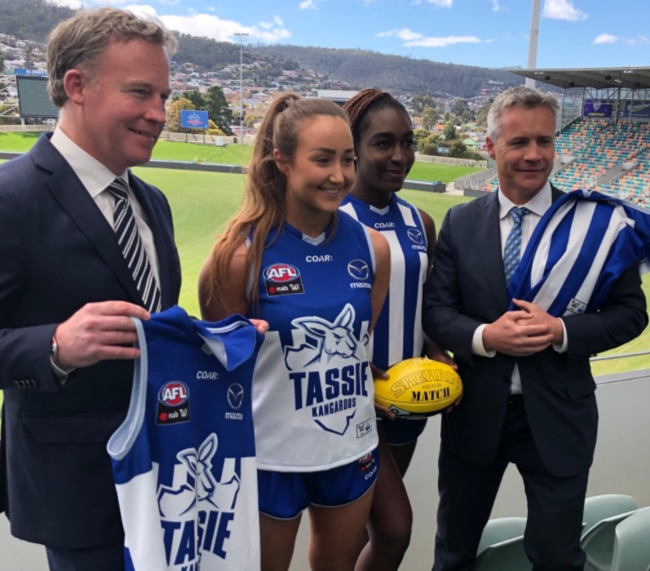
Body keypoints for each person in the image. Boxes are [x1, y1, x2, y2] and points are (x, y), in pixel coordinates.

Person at [422, 85, 648, 571]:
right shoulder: (461, 223)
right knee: (454, 549)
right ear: (490, 147)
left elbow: (632, 314)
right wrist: (486, 338)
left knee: (556, 556)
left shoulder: (597, 224)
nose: (533, 155)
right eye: (519, 142)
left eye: (544, 142)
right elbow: (436, 311)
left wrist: (561, 331)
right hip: (474, 414)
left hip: (558, 418)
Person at [0, 8, 182, 570]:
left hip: (165, 475)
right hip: (78, 490)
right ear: (75, 86)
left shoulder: (153, 202)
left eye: (163, 96)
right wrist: (55, 346)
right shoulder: (11, 198)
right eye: (140, 93)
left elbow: (153, 325)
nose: (158, 114)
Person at [198, 92, 391, 571]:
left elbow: (358, 350)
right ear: (281, 161)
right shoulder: (239, 257)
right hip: (269, 459)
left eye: (347, 159)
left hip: (351, 449)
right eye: (322, 159)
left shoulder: (373, 248)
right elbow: (219, 376)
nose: (339, 175)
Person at [340, 88, 448, 571]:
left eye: (407, 142)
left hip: (408, 403)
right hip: (352, 406)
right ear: (355, 147)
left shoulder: (419, 221)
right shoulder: (332, 218)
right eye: (384, 143)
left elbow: (429, 306)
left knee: (375, 530)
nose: (400, 156)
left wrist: (437, 352)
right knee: (393, 529)